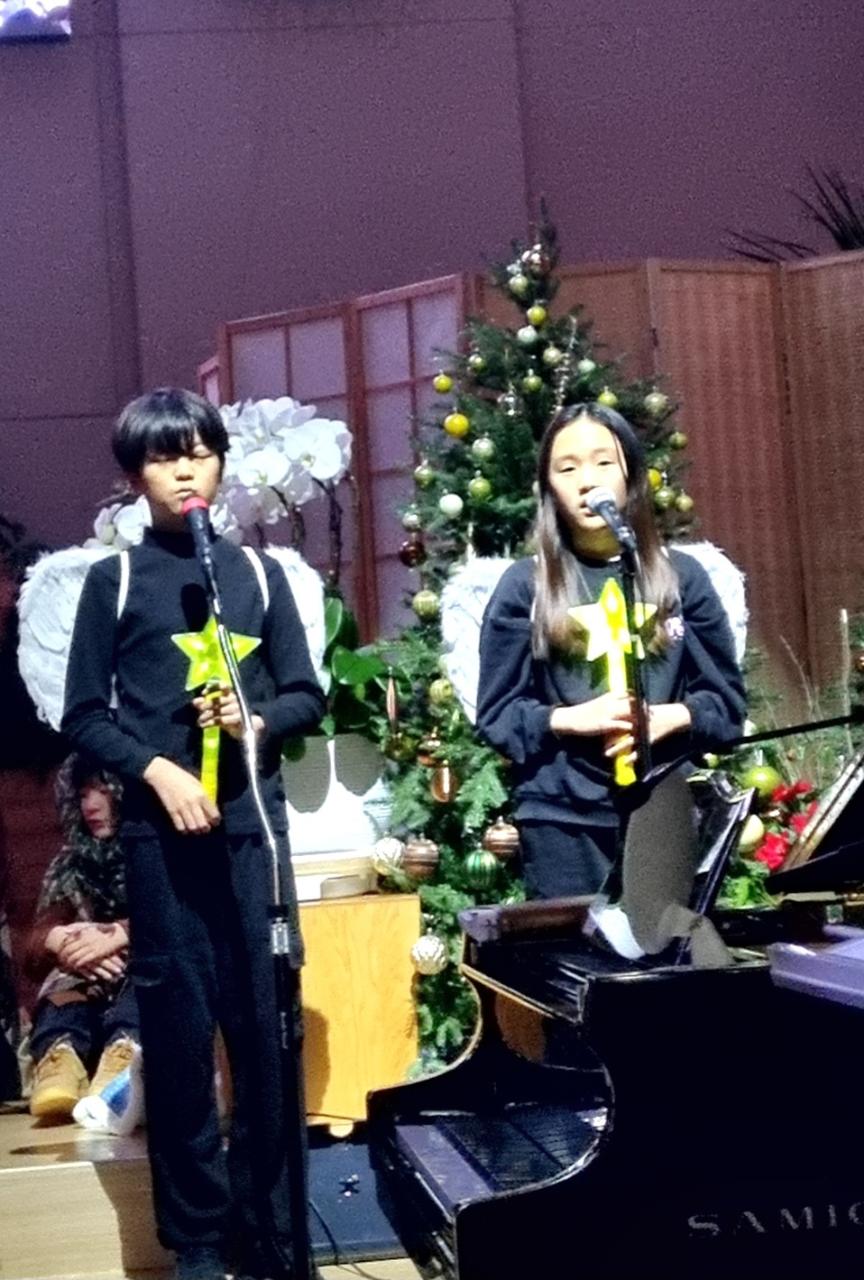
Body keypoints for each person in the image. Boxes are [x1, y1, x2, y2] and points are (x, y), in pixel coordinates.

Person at [61, 388, 326, 1280]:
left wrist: (256, 722)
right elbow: (82, 715)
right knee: (179, 1048)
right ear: (135, 475)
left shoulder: (260, 578)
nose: (185, 472)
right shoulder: (114, 582)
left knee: (267, 1043)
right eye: (164, 457)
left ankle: (274, 1237)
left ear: (220, 463)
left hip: (253, 839)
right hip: (161, 849)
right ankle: (200, 1245)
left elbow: (306, 694)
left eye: (199, 454)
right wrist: (158, 771)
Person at [476, 401, 745, 900]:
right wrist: (573, 719)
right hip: (561, 819)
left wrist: (667, 718)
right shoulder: (524, 586)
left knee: (669, 949)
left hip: (666, 814)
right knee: (574, 950)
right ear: (548, 487)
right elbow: (497, 716)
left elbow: (727, 709)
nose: (587, 481)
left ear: (631, 475)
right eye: (567, 468)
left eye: (603, 462)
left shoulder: (682, 579)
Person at [25, 755, 138, 1120]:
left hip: (140, 973)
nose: (91, 805)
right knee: (64, 988)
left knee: (145, 981)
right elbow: (33, 950)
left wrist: (119, 934)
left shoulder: (151, 855)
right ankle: (60, 1058)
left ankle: (123, 1056)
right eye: (83, 794)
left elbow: (179, 922)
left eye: (102, 791)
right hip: (87, 983)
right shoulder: (69, 863)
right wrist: (58, 939)